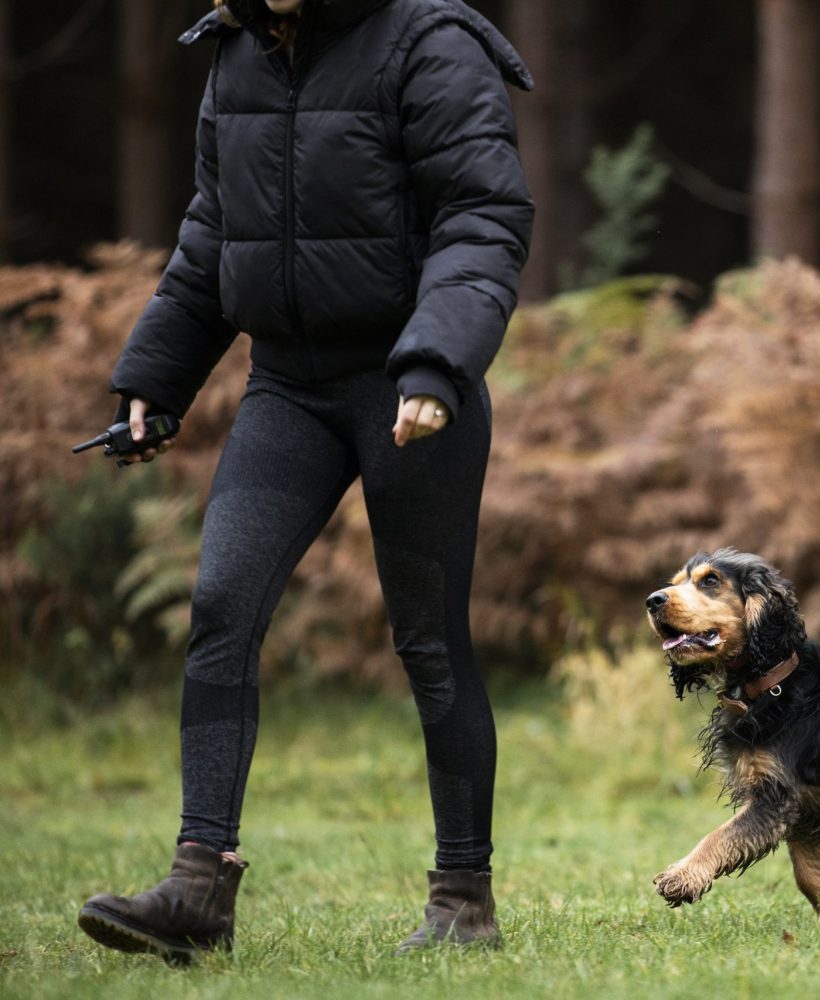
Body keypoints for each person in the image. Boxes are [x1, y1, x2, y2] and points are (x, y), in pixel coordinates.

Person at [75, 0, 533, 964]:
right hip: (286, 384)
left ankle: (463, 898)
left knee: (428, 641)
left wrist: (436, 364)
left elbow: (481, 215)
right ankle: (198, 888)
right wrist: (154, 378)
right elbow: (213, 230)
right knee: (221, 605)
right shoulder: (237, 54)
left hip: (406, 387)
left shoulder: (428, 43)